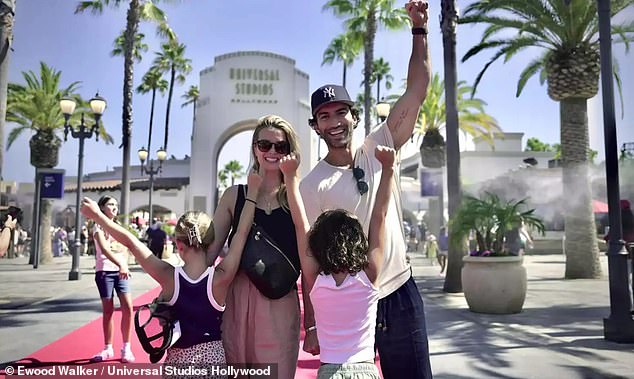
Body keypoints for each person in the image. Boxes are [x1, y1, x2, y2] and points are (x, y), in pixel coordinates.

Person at [299, 1, 432, 377]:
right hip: (350, 306)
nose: (334, 121)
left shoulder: (379, 148)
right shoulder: (312, 186)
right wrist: (311, 324)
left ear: (354, 116)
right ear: (317, 127)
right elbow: (309, 262)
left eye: (340, 112)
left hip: (398, 292)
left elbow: (418, 89)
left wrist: (419, 29)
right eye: (324, 116)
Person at [81, 172, 260, 368]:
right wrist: (252, 194)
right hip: (213, 361)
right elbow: (242, 233)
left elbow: (131, 243)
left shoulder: (168, 277)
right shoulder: (221, 278)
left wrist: (98, 216)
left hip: (179, 363)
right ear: (209, 242)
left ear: (179, 245)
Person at [281, 146, 394, 379]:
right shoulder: (369, 275)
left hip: (329, 370)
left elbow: (300, 225)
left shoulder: (316, 280)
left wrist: (290, 177)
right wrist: (388, 169)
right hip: (365, 369)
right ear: (358, 239)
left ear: (319, 244)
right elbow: (379, 217)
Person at [207, 115, 303, 379]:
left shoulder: (298, 197)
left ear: (289, 152)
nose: (272, 151)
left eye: (280, 146)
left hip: (280, 301)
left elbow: (308, 258)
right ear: (255, 148)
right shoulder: (233, 195)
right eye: (265, 145)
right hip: (238, 300)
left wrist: (314, 322)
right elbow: (208, 253)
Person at [89, 196, 135, 363]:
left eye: (116, 204)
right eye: (110, 204)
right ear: (102, 207)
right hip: (105, 272)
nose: (114, 208)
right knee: (108, 311)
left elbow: (127, 246)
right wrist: (121, 265)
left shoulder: (118, 227)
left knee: (128, 308)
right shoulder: (98, 227)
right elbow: (106, 250)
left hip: (121, 272)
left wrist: (125, 265)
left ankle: (126, 348)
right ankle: (108, 348)